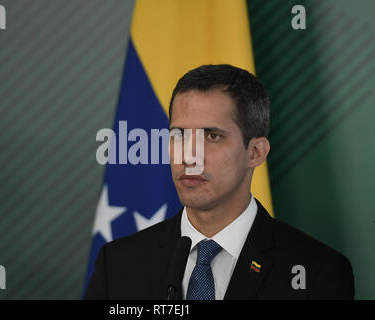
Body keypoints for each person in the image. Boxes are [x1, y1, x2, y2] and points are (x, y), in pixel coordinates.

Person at [85, 64, 354, 300]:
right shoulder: (118, 264)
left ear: (255, 152)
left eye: (211, 136)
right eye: (178, 135)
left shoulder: (316, 273)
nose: (189, 156)